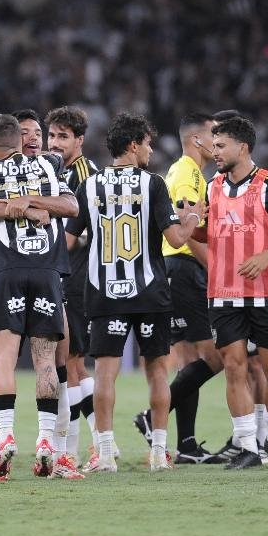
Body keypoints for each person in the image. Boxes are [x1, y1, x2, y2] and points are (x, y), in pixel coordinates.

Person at [66, 113, 201, 472]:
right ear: (132, 145)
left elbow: (67, 241)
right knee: (157, 372)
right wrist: (191, 219)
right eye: (147, 143)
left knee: (105, 374)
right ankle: (159, 452)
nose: (150, 150)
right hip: (150, 291)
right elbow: (175, 239)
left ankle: (105, 452)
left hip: (103, 291)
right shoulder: (153, 184)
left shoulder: (89, 186)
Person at [0, 113, 78, 482]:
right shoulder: (52, 164)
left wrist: (12, 203)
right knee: (47, 364)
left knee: (3, 360)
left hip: (5, 272)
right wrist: (30, 206)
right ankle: (45, 442)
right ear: (20, 140)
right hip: (48, 273)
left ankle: (4, 436)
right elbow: (71, 207)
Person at [186, 116, 268, 469]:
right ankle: (248, 446)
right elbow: (208, 234)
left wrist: (266, 255)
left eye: (221, 145)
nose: (214, 152)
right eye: (214, 145)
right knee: (234, 368)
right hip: (223, 291)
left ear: (243, 147)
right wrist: (190, 222)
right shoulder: (212, 187)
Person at [132, 111, 224, 463]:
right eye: (213, 135)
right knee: (215, 358)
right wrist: (214, 267)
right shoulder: (187, 176)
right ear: (198, 139)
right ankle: (152, 417)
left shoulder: (185, 172)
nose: (217, 142)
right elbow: (186, 234)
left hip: (174, 269)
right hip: (183, 269)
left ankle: (186, 445)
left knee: (189, 361)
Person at [44, 105, 99, 477]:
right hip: (66, 275)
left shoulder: (85, 176)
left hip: (78, 277)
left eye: (63, 136)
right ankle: (85, 446)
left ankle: (87, 447)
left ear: (79, 140)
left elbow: (74, 237)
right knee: (72, 364)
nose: (55, 143)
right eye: (52, 135)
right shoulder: (52, 170)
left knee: (73, 364)